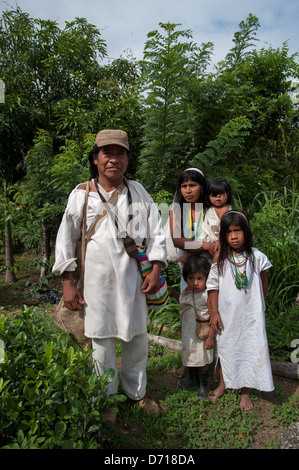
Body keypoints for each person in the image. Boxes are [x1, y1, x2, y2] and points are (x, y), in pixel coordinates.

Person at [52, 129, 167, 417]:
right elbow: (66, 240)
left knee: (137, 337)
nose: (113, 159)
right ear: (95, 159)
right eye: (107, 153)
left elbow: (157, 233)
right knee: (101, 342)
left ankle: (137, 392)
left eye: (120, 153)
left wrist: (156, 268)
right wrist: (68, 282)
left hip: (134, 282)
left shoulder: (139, 191)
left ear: (127, 159)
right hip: (96, 284)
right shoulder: (82, 195)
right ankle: (104, 399)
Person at [206, 210, 274, 410]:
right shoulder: (221, 261)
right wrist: (214, 313)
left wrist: (259, 307)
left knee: (250, 349)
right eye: (228, 232)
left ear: (246, 232)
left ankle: (246, 391)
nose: (234, 236)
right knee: (226, 348)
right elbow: (212, 288)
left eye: (237, 231)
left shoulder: (257, 257)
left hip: (251, 318)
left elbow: (263, 284)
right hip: (227, 317)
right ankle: (223, 385)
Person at [169, 167, 215, 379]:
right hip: (187, 273)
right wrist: (204, 245)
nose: (188, 190)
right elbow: (177, 240)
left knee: (210, 313)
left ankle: (213, 363)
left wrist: (200, 247)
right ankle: (189, 363)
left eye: (193, 185)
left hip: (210, 271)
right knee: (188, 315)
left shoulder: (211, 209)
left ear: (202, 187)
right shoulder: (176, 210)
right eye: (184, 186)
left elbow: (218, 241)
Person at [168, 256, 215, 400]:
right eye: (191, 279)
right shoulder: (187, 292)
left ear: (207, 278)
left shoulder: (208, 295)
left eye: (200, 279)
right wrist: (173, 293)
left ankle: (204, 386)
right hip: (188, 334)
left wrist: (211, 337)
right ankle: (192, 380)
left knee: (201, 361)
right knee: (191, 357)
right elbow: (182, 302)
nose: (195, 283)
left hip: (202, 335)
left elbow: (214, 316)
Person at [199, 177, 232, 248]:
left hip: (219, 239)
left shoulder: (224, 209)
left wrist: (219, 242)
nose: (218, 196)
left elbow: (224, 227)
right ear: (209, 196)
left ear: (227, 194)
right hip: (207, 237)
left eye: (221, 193)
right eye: (214, 195)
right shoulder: (211, 208)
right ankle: (188, 255)